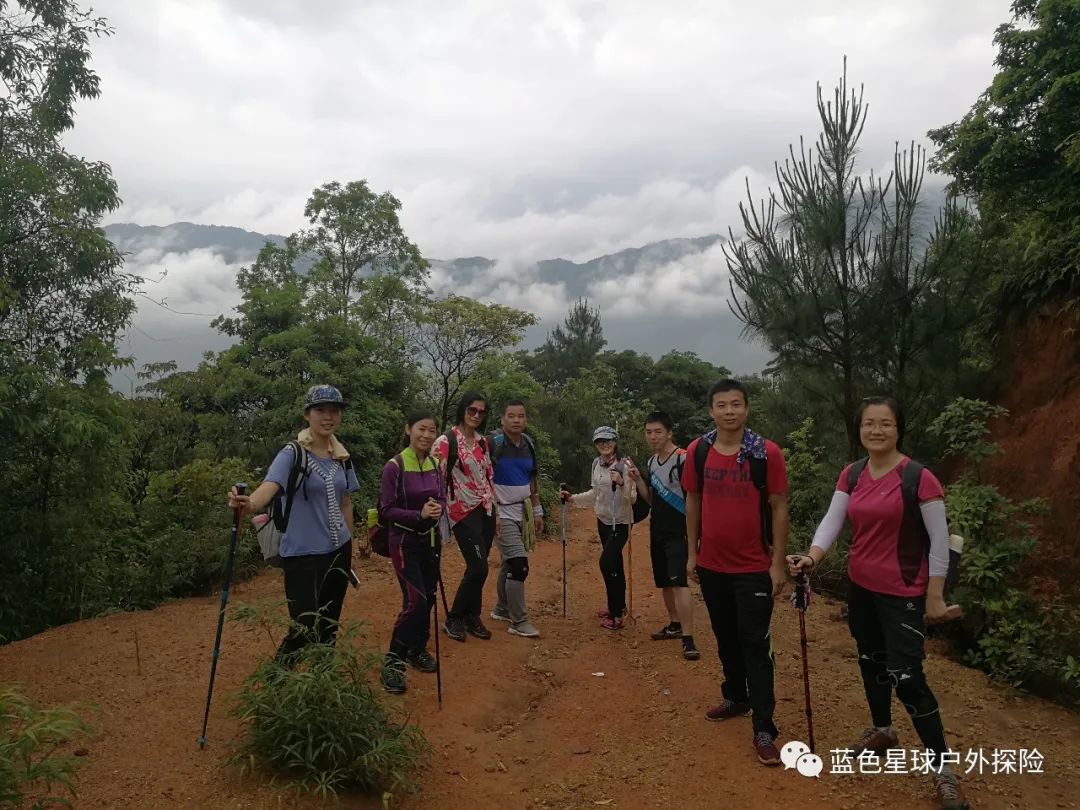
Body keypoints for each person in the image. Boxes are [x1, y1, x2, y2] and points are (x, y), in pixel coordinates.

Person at [787, 397, 969, 810]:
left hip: (904, 592)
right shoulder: (852, 474)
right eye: (869, 424)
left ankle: (943, 770)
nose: (876, 430)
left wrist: (935, 593)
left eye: (885, 424)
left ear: (898, 429)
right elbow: (834, 520)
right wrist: (812, 557)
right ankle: (882, 729)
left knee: (907, 677)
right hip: (862, 587)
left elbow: (940, 542)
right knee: (870, 660)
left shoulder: (920, 478)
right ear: (860, 430)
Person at [682, 379, 789, 767]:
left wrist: (777, 563)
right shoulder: (699, 451)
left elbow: (779, 506)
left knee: (755, 645)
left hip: (753, 567)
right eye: (722, 405)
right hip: (712, 564)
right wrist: (692, 553)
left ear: (746, 409)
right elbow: (693, 500)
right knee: (726, 637)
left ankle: (764, 726)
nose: (729, 411)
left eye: (736, 404)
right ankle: (736, 697)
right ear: (711, 410)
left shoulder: (767, 454)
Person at [228, 384, 359, 661]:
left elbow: (346, 501)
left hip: (338, 552)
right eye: (320, 410)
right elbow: (270, 485)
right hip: (302, 555)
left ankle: (322, 686)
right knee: (302, 627)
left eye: (334, 410)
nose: (328, 416)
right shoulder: (293, 454)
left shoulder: (342, 457)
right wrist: (249, 503)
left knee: (328, 626)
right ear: (307, 414)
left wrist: (351, 547)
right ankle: (278, 682)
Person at [378, 410, 446, 694]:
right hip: (404, 542)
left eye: (431, 430)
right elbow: (386, 510)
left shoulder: (433, 462)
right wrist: (419, 514)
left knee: (428, 598)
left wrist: (437, 507)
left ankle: (416, 649)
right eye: (421, 429)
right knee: (415, 602)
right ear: (408, 429)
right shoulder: (394, 466)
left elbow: (441, 495)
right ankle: (393, 661)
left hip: (430, 540)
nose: (427, 435)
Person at [626, 411, 699, 661]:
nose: (652, 436)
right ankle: (675, 624)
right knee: (665, 582)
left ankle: (689, 638)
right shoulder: (651, 462)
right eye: (648, 432)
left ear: (669, 432)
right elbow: (650, 499)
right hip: (657, 528)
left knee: (680, 582)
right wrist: (637, 480)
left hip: (679, 531)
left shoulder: (683, 459)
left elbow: (694, 499)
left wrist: (696, 535)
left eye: (658, 431)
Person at [433, 391, 497, 642]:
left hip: (486, 508)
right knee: (479, 566)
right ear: (462, 410)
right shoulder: (446, 441)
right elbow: (436, 478)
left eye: (481, 412)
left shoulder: (483, 442)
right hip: (461, 510)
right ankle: (455, 616)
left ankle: (473, 615)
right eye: (472, 410)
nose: (476, 415)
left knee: (477, 566)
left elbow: (488, 475)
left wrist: (496, 510)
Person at [560, 426, 637, 631]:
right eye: (600, 441)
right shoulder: (597, 464)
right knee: (615, 566)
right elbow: (595, 494)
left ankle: (616, 612)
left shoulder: (625, 464)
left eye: (608, 440)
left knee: (606, 563)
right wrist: (572, 499)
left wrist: (622, 483)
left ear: (615, 442)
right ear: (595, 444)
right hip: (602, 520)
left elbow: (633, 497)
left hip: (620, 523)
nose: (604, 444)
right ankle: (618, 607)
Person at [488, 399, 543, 638]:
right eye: (511, 416)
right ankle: (519, 621)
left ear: (526, 419)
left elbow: (532, 479)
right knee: (519, 564)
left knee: (509, 562)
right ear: (502, 419)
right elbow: (482, 476)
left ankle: (502, 608)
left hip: (524, 512)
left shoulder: (528, 444)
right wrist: (492, 512)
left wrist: (538, 511)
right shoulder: (493, 443)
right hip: (501, 513)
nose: (516, 420)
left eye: (520, 416)